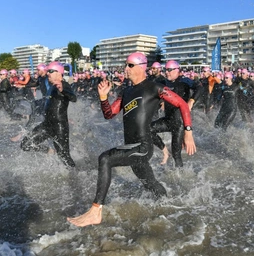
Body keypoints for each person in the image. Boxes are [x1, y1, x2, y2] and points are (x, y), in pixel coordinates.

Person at [67, 52, 196, 227]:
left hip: (142, 147)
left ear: (142, 67)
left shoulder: (154, 88)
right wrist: (103, 97)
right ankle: (171, 207)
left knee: (105, 158)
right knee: (151, 184)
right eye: (126, 65)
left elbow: (181, 103)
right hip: (132, 146)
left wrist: (188, 132)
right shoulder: (126, 91)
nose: (126, 68)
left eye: (130, 65)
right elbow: (109, 114)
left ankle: (95, 211)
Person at [20, 62, 77, 167]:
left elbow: (74, 98)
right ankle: (49, 150)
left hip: (59, 126)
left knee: (64, 156)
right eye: (47, 71)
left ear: (58, 72)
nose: (48, 74)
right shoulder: (51, 86)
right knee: (25, 145)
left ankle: (77, 176)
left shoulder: (63, 84)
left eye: (50, 71)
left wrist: (63, 90)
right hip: (47, 124)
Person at [150, 60, 202, 166]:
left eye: (169, 70)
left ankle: (180, 177)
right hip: (167, 120)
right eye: (165, 70)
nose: (167, 72)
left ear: (177, 70)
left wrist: (192, 100)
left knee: (176, 154)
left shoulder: (184, 81)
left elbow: (200, 87)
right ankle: (165, 152)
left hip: (180, 123)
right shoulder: (163, 83)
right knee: (147, 130)